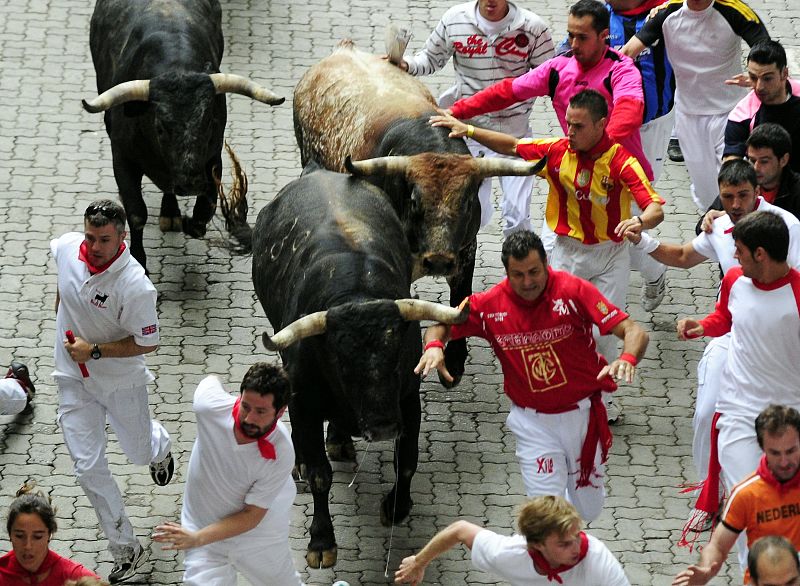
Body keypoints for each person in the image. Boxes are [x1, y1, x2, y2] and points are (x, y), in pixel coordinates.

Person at [444, 0, 670, 314]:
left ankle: (656, 272)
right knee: (554, 249)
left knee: (627, 244)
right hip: (572, 175)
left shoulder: (622, 69)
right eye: (570, 35)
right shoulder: (557, 69)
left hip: (619, 178)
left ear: (604, 35)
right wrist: (455, 112)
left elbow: (630, 112)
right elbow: (507, 91)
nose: (573, 44)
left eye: (582, 37)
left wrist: (598, 150)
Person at [414, 230, 649, 521]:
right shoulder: (489, 305)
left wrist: (627, 357)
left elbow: (633, 331)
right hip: (532, 424)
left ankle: (566, 524)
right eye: (518, 275)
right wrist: (435, 346)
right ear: (506, 273)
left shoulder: (574, 290)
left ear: (546, 264)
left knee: (589, 509)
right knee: (547, 517)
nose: (528, 282)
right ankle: (557, 539)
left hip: (582, 418)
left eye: (534, 272)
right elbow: (442, 323)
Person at [432, 88, 662, 371]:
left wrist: (640, 222)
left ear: (601, 124)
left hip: (610, 257)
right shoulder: (557, 151)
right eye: (568, 124)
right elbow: (513, 146)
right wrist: (467, 129)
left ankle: (604, 399)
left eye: (579, 126)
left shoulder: (622, 162)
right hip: (566, 254)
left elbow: (654, 207)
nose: (570, 132)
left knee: (603, 333)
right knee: (565, 327)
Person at [629, 159, 800, 480]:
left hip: (781, 341)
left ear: (758, 192)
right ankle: (710, 494)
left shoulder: (787, 227)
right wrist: (643, 242)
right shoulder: (720, 230)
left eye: (743, 196)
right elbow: (682, 256)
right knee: (708, 413)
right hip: (734, 336)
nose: (735, 205)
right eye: (727, 197)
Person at [51, 199, 173, 583]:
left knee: (137, 452)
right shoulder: (68, 248)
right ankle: (125, 549)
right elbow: (62, 276)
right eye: (90, 236)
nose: (94, 246)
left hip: (121, 381)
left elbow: (148, 343)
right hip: (73, 378)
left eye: (104, 239)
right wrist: (64, 318)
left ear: (123, 237)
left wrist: (97, 350)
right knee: (88, 468)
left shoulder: (135, 286)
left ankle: (160, 446)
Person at [676, 212, 800, 557]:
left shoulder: (798, 293)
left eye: (739, 250)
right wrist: (702, 325)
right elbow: (726, 318)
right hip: (739, 412)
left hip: (790, 417)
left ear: (760, 254)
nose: (734, 256)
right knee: (747, 503)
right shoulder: (733, 280)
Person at [393, 0, 554, 236]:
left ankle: (519, 271)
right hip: (466, 134)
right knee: (473, 214)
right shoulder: (454, 19)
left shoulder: (533, 28)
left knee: (517, 217)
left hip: (514, 138)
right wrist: (405, 64)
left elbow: (550, 75)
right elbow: (429, 58)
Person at [152, 363, 303, 586]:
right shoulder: (208, 407)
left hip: (259, 535)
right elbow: (211, 379)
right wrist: (198, 537)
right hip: (203, 528)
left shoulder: (282, 451)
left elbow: (252, 515)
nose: (249, 418)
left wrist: (196, 539)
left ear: (281, 412)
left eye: (260, 411)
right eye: (245, 406)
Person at [621, 0, 769, 211]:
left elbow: (766, 50)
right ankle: (713, 235)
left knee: (735, 183)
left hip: (730, 114)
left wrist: (756, 76)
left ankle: (742, 236)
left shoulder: (734, 11)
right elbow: (627, 54)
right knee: (707, 193)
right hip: (688, 117)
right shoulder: (666, 13)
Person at [673, 406, 800, 585]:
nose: (784, 461)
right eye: (775, 453)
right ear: (762, 448)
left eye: (791, 451)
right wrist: (706, 569)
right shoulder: (747, 493)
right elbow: (718, 545)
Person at [394, 495, 629, 585]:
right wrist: (418, 562)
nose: (577, 548)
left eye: (577, 537)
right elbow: (460, 530)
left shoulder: (599, 562)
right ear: (537, 545)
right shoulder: (510, 554)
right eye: (564, 543)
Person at [0, 484, 101, 585]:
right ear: (10, 534)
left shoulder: (74, 576)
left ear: (49, 535)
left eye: (37, 537)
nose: (28, 546)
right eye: (19, 536)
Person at [724, 40, 800, 173]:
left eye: (767, 78)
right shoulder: (742, 115)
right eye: (753, 78)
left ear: (784, 74)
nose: (759, 87)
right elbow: (731, 164)